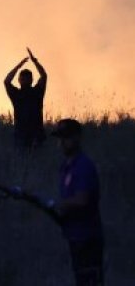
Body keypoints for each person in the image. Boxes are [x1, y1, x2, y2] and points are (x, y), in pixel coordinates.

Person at [49, 118, 104, 285]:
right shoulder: (66, 167)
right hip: (74, 236)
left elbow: (82, 200)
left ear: (77, 138)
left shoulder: (83, 166)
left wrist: (59, 205)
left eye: (66, 137)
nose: (61, 142)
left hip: (88, 238)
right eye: (59, 138)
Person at [3, 47, 47, 148]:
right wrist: (19, 66)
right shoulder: (17, 94)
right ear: (19, 80)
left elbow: (44, 76)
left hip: (35, 136)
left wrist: (34, 62)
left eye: (27, 78)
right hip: (21, 136)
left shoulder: (36, 92)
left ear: (31, 80)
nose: (25, 80)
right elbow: (6, 81)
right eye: (23, 78)